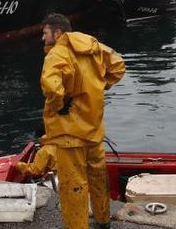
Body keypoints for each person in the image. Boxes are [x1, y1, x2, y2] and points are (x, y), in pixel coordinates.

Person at [38, 13, 125, 229]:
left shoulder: (57, 53)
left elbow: (51, 86)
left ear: (58, 33)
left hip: (69, 134)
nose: (42, 37)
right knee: (98, 177)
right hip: (93, 129)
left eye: (45, 33)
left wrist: (60, 106)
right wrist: (99, 87)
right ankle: (103, 219)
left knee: (73, 185)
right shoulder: (94, 46)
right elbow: (118, 66)